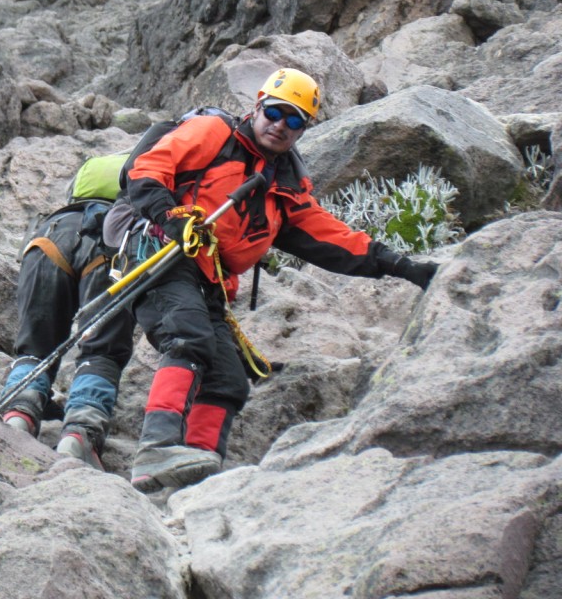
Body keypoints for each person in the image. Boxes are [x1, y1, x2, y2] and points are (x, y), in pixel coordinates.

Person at [119, 68, 438, 493]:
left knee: (229, 378)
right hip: (161, 255)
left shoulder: (284, 186)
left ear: (303, 130)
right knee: (187, 336)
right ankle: (157, 449)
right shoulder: (212, 132)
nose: (280, 125)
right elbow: (147, 169)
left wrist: (401, 265)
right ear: (257, 106)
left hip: (209, 281)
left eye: (294, 120)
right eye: (274, 112)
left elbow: (333, 238)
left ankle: (194, 473)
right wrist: (170, 215)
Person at [0, 196, 136, 470]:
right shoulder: (149, 174)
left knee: (35, 348)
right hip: (112, 244)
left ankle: (18, 411)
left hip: (49, 236)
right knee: (101, 351)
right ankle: (80, 432)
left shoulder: (87, 177)